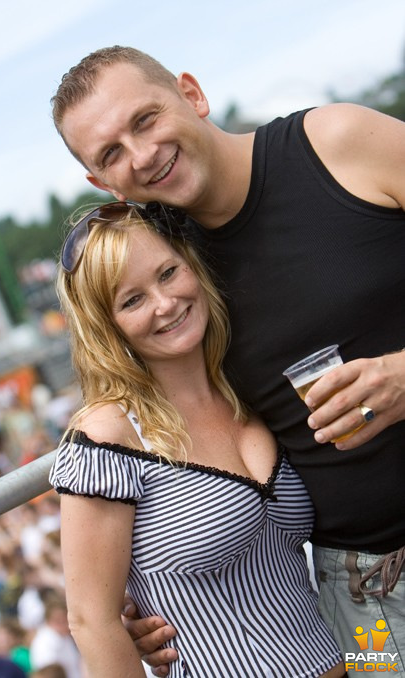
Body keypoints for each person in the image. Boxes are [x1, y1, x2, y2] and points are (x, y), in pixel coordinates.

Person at [50, 46, 405, 674]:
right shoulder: (174, 275)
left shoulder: (336, 143)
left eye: (145, 120)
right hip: (365, 600)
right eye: (110, 154)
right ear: (102, 184)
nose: (141, 154)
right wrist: (127, 616)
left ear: (192, 94)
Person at [49, 202, 344, 677]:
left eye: (167, 273)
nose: (165, 303)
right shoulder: (108, 435)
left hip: (350, 661)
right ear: (108, 329)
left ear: (193, 268)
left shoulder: (249, 392)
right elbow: (91, 621)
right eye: (132, 300)